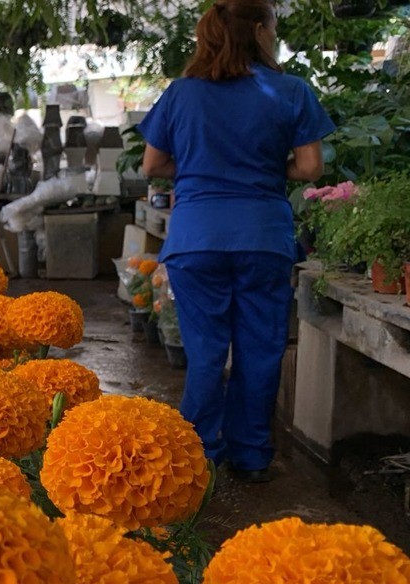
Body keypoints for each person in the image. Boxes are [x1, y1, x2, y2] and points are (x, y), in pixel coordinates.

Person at [137, 0, 335, 483]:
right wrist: (265, 172)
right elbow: (310, 168)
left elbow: (153, 165)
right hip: (262, 236)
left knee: (205, 351)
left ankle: (197, 458)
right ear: (262, 31)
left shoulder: (181, 94)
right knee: (259, 349)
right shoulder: (290, 90)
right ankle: (251, 456)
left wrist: (207, 171)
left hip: (197, 237)